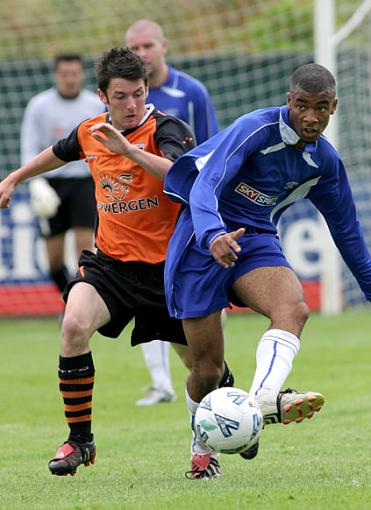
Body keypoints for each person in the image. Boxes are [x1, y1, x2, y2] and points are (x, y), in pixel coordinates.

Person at [163, 63, 371, 480]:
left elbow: (347, 234)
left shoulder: (325, 164)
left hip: (255, 239)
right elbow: (205, 184)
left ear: (334, 106)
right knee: (207, 369)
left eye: (320, 108)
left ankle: (260, 402)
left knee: (294, 308)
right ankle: (202, 446)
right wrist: (213, 236)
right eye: (302, 106)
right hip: (200, 239)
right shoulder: (254, 129)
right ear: (288, 101)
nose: (311, 117)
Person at [0, 47, 233, 477]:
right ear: (103, 96)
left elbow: (185, 175)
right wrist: (16, 177)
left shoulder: (166, 128)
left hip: (171, 270)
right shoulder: (92, 130)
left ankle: (224, 421)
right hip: (111, 266)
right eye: (122, 97)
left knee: (205, 369)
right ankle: (79, 441)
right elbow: (60, 150)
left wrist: (130, 152)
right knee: (72, 327)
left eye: (139, 94)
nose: (132, 105)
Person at [126, 19, 221, 406]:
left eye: (147, 46)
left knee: (196, 308)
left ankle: (218, 381)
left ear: (164, 45)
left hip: (184, 214)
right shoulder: (122, 97)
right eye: (134, 48)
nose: (141, 54)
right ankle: (160, 382)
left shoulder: (191, 92)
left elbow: (214, 147)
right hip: (138, 215)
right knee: (145, 299)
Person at [21, 53, 105, 297]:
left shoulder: (94, 105)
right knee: (54, 258)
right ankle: (68, 299)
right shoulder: (39, 105)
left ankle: (79, 303)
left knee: (83, 251)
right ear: (56, 75)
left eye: (75, 73)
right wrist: (35, 181)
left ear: (82, 75)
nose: (70, 79)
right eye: (65, 74)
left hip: (85, 182)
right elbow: (29, 145)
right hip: (50, 183)